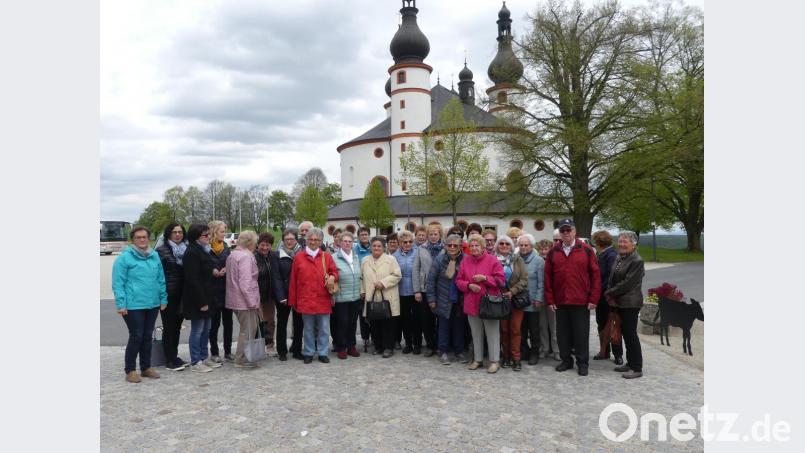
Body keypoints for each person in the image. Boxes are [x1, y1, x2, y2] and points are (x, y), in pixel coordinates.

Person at [544, 219, 601, 376]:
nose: (566, 233)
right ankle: (566, 360)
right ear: (559, 233)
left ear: (575, 231)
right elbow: (547, 277)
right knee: (563, 334)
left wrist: (594, 298)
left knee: (581, 334)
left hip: (580, 300)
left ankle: (582, 363)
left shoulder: (586, 250)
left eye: (569, 230)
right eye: (563, 230)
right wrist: (550, 299)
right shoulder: (553, 252)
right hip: (561, 300)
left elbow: (596, 276)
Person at [112, 226, 167, 383]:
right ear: (133, 240)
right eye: (138, 237)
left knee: (147, 336)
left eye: (144, 237)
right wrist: (121, 304)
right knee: (136, 336)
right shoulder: (124, 258)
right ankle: (130, 370)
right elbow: (118, 283)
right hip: (133, 305)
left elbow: (160, 278)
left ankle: (146, 367)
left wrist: (163, 299)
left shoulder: (154, 255)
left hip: (153, 303)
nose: (142, 240)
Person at [455, 233, 506, 373]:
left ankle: (494, 361)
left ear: (483, 246)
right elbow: (458, 281)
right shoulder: (465, 261)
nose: (474, 248)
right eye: (471, 246)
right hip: (472, 303)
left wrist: (484, 278)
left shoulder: (492, 260)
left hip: (489, 303)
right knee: (476, 333)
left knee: (492, 333)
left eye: (477, 245)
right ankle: (477, 359)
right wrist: (469, 286)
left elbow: (501, 281)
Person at [289, 228, 338, 364]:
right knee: (308, 328)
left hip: (323, 298)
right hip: (306, 299)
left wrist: (333, 277)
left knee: (323, 328)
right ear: (306, 241)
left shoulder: (326, 257)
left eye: (316, 239)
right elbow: (293, 280)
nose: (313, 242)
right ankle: (309, 352)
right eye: (310, 239)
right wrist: (293, 300)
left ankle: (322, 352)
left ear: (321, 241)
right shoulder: (299, 257)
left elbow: (334, 272)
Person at [605, 231, 645, 379]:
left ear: (633, 245)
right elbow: (612, 277)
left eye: (625, 242)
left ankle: (637, 367)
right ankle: (630, 363)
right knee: (625, 334)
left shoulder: (637, 261)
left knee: (631, 334)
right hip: (619, 302)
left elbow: (627, 283)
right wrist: (611, 291)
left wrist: (609, 292)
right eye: (620, 241)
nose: (621, 244)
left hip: (630, 303)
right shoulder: (619, 256)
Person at [182, 223, 220, 372]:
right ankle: (196, 361)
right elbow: (192, 279)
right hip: (198, 298)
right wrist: (202, 301)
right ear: (196, 236)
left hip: (208, 296)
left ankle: (204, 357)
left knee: (207, 329)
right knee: (197, 330)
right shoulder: (192, 252)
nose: (209, 237)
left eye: (209, 234)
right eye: (206, 235)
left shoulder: (203, 250)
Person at [427, 234, 467, 365]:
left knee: (459, 326)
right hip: (443, 298)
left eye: (455, 245)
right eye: (450, 245)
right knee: (443, 326)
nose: (452, 247)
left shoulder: (465, 259)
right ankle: (443, 351)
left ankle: (459, 351)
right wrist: (431, 298)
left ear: (460, 246)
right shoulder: (439, 259)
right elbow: (431, 280)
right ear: (445, 246)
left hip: (460, 299)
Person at [225, 231, 263, 368]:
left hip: (235, 299)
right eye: (255, 242)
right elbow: (246, 283)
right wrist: (252, 302)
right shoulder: (246, 257)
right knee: (248, 329)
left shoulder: (233, 254)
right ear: (250, 243)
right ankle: (241, 359)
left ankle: (241, 357)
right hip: (245, 301)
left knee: (245, 329)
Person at [361, 237, 402, 357]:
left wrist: (383, 282)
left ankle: (388, 347)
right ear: (371, 247)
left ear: (384, 247)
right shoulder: (365, 260)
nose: (376, 248)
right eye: (374, 245)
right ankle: (378, 346)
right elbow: (361, 278)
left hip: (387, 295)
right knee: (374, 322)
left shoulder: (391, 259)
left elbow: (397, 275)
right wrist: (362, 291)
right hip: (371, 296)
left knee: (388, 322)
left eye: (379, 246)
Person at [155, 223, 189, 371]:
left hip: (183, 293)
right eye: (174, 232)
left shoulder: (187, 249)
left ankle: (174, 356)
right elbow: (157, 274)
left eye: (180, 232)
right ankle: (169, 359)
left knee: (177, 327)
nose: (177, 235)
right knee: (169, 327)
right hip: (168, 294)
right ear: (168, 234)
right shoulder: (161, 251)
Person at [496, 235, 529, 371]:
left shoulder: (517, 259)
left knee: (515, 329)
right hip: (499, 299)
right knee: (503, 329)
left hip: (515, 298)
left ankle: (516, 358)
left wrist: (513, 291)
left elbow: (524, 279)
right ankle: (505, 356)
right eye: (501, 243)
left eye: (507, 244)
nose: (504, 246)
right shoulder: (493, 260)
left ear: (511, 246)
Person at [591, 230, 623, 365]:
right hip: (602, 297)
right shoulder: (603, 254)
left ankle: (617, 354)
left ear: (598, 243)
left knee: (612, 325)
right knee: (602, 323)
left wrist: (601, 290)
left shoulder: (610, 255)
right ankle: (604, 350)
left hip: (607, 297)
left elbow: (610, 278)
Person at [412, 224, 443, 356]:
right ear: (427, 236)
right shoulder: (421, 249)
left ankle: (441, 345)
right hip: (424, 289)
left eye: (436, 234)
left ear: (440, 235)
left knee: (440, 320)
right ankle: (430, 345)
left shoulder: (446, 249)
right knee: (427, 319)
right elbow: (415, 269)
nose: (433, 236)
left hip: (441, 289)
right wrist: (417, 290)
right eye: (431, 234)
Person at [332, 231, 362, 359]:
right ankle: (341, 347)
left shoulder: (356, 257)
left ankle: (351, 346)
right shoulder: (333, 257)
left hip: (355, 296)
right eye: (345, 241)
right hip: (341, 297)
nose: (347, 243)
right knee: (342, 322)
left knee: (352, 322)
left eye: (350, 241)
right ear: (340, 242)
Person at [207, 220, 233, 363]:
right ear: (214, 231)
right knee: (214, 324)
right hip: (212, 291)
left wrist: (226, 268)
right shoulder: (206, 247)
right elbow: (202, 266)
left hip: (226, 289)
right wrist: (211, 271)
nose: (224, 234)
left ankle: (228, 351)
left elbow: (229, 262)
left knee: (228, 323)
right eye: (222, 231)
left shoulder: (226, 247)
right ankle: (214, 352)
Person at [517, 234, 544, 366]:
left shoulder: (538, 261)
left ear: (531, 246)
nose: (523, 247)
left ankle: (534, 353)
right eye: (521, 245)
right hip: (519, 301)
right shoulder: (516, 259)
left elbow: (541, 282)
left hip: (533, 301)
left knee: (534, 330)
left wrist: (539, 298)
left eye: (526, 245)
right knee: (521, 329)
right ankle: (524, 351)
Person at [255, 232, 282, 357]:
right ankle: (258, 346)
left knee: (270, 320)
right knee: (258, 321)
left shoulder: (275, 256)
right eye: (262, 245)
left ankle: (270, 344)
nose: (265, 248)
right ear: (258, 244)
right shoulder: (253, 257)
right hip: (257, 295)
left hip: (271, 295)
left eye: (268, 245)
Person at [276, 229, 301, 361]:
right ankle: (282, 351)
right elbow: (277, 277)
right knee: (282, 323)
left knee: (298, 323)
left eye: (292, 239)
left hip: (298, 294)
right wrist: (281, 296)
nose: (289, 241)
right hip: (284, 295)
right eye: (287, 240)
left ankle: (297, 350)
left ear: (296, 239)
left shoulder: (301, 253)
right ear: (283, 241)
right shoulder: (277, 254)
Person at [393, 230, 417, 353]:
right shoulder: (395, 256)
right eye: (405, 242)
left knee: (416, 319)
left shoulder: (417, 253)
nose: (408, 244)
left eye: (410, 241)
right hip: (401, 291)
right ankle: (408, 343)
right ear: (400, 243)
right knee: (405, 319)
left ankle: (417, 344)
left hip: (416, 291)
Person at [536, 239, 559, 360]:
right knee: (542, 325)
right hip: (540, 297)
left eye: (546, 249)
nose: (543, 251)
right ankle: (544, 348)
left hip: (552, 298)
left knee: (554, 326)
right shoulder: (537, 262)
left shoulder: (554, 261)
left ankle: (556, 350)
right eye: (541, 249)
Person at [354, 226, 373, 350]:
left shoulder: (374, 247)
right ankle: (365, 337)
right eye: (362, 234)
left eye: (366, 234)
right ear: (358, 236)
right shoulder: (355, 249)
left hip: (373, 282)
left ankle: (374, 336)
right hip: (360, 283)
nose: (364, 236)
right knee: (362, 313)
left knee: (374, 311)